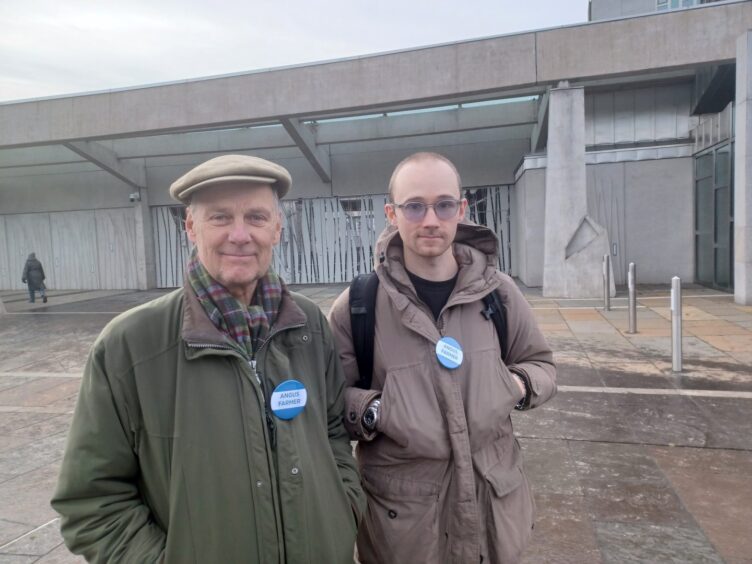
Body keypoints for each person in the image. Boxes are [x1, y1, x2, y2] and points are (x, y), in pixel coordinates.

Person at [52, 155, 365, 563]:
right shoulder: (129, 344)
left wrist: (342, 510)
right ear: (190, 227)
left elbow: (333, 432)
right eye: (220, 217)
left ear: (277, 229)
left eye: (255, 217)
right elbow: (92, 503)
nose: (239, 234)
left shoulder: (307, 323)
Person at [328, 152, 557, 564]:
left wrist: (515, 386)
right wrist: (375, 410)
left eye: (444, 204)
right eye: (414, 206)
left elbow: (542, 366)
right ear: (391, 213)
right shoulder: (359, 304)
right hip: (405, 529)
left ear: (462, 210)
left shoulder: (499, 293)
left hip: (494, 513)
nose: (430, 220)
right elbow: (332, 398)